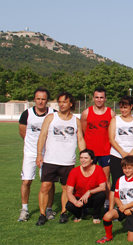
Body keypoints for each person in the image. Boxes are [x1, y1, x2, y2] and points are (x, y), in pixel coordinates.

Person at [35, 91, 86, 226]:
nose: (61, 104)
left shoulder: (76, 121)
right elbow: (42, 136)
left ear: (71, 104)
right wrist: (39, 153)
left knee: (66, 188)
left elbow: (80, 139)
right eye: (60, 102)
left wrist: (84, 156)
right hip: (50, 160)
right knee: (45, 186)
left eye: (64, 102)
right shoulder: (50, 118)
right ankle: (42, 214)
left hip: (67, 161)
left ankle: (63, 212)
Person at [18, 86, 55, 222]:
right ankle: (24, 209)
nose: (40, 102)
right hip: (30, 153)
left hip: (48, 154)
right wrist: (34, 148)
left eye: (43, 99)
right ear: (34, 99)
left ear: (47, 101)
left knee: (48, 183)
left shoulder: (53, 113)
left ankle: (49, 209)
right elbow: (23, 133)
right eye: (38, 99)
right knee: (26, 181)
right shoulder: (27, 114)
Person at [80, 87, 115, 209]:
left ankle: (106, 204)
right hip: (90, 152)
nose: (99, 100)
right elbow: (83, 132)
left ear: (105, 99)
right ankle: (85, 203)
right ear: (93, 98)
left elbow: (113, 133)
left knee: (106, 179)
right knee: (87, 178)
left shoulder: (111, 113)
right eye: (96, 97)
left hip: (106, 151)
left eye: (101, 97)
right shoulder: (86, 113)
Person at [96, 156, 133, 243]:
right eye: (124, 168)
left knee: (131, 240)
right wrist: (122, 207)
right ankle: (108, 236)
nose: (127, 171)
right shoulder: (120, 180)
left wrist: (125, 207)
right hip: (122, 207)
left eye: (129, 168)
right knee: (107, 216)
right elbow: (116, 197)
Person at [108, 96, 133, 211]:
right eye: (121, 108)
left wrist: (131, 154)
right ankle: (112, 210)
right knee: (116, 183)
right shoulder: (115, 120)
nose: (123, 110)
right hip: (117, 155)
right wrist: (122, 152)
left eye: (125, 107)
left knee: (131, 183)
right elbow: (111, 138)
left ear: (131, 107)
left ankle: (130, 207)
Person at [65, 149, 106, 223]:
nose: (83, 160)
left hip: (92, 197)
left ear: (91, 160)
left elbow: (103, 187)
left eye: (86, 158)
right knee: (69, 205)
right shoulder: (74, 171)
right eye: (81, 158)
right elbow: (68, 192)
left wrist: (89, 192)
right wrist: (75, 202)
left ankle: (96, 216)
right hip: (79, 198)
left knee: (101, 195)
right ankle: (78, 215)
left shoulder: (98, 169)